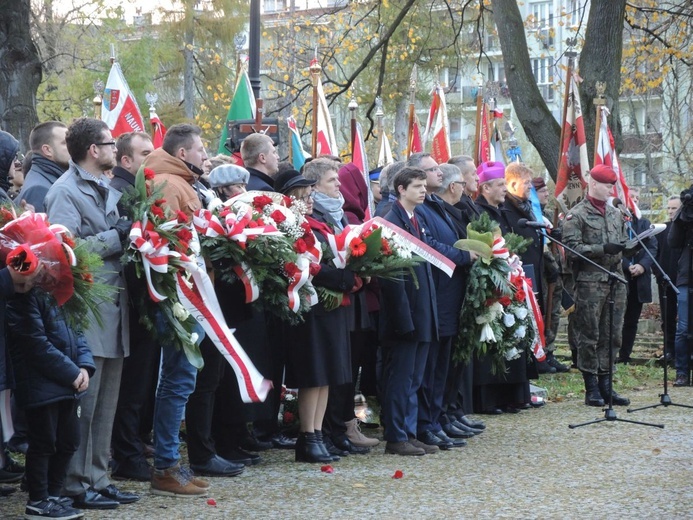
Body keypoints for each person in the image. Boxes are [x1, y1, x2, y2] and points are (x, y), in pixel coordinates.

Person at [45, 117, 136, 510]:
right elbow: (63, 253)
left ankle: (99, 477)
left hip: (113, 307)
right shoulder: (64, 191)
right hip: (88, 310)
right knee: (88, 402)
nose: (116, 149)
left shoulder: (104, 186)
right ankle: (75, 483)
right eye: (110, 143)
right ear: (92, 150)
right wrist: (116, 237)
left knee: (107, 403)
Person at [142, 124, 216, 495]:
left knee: (181, 380)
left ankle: (171, 463)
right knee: (178, 381)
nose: (205, 155)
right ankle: (166, 468)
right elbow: (171, 246)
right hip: (180, 298)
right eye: (200, 149)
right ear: (183, 153)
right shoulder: (170, 185)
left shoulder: (178, 180)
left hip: (187, 295)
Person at [276, 168, 355, 462]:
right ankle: (307, 436)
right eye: (302, 197)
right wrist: (343, 279)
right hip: (309, 307)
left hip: (327, 307)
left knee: (326, 376)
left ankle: (317, 433)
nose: (309, 202)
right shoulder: (291, 226)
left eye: (310, 196)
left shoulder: (314, 224)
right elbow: (305, 266)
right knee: (314, 373)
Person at [405, 153, 476, 450]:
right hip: (436, 295)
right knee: (431, 367)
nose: (438, 173)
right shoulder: (421, 210)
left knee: (441, 365)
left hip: (449, 295)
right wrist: (464, 256)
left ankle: (438, 418)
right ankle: (428, 423)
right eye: (430, 170)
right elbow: (430, 246)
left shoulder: (436, 206)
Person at [8, 282, 95, 520]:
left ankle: (53, 497)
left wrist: (85, 366)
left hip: (69, 381)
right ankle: (38, 501)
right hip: (41, 382)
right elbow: (34, 343)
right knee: (44, 442)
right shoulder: (25, 295)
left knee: (69, 441)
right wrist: (72, 372)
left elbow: (79, 331)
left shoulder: (62, 291)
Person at [183, 164, 248, 477]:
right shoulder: (187, 191)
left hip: (214, 297)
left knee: (213, 378)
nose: (204, 158)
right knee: (202, 380)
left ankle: (212, 448)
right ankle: (202, 452)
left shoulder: (203, 192)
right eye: (198, 151)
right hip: (198, 296)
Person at [109, 132, 159, 483]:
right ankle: (127, 453)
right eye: (145, 153)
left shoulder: (141, 191)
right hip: (131, 298)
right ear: (125, 161)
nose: (150, 159)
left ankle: (135, 446)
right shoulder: (122, 195)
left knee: (141, 382)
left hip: (145, 297)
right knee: (131, 384)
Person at [379, 167, 438, 456]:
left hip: (421, 312)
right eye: (417, 186)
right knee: (400, 379)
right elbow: (392, 279)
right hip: (404, 317)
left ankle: (409, 432)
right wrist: (404, 320)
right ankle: (396, 436)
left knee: (414, 379)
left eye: (424, 185)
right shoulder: (392, 222)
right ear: (401, 189)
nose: (424, 190)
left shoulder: (416, 219)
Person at [562, 164, 631, 406]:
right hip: (590, 283)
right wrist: (601, 249)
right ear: (592, 183)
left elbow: (622, 240)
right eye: (606, 185)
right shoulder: (576, 214)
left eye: (613, 185)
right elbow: (571, 251)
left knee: (613, 335)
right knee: (589, 335)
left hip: (616, 281)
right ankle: (591, 387)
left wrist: (630, 245)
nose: (611, 190)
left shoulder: (615, 213)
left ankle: (607, 384)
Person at [473, 162, 531, 414]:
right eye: (499, 186)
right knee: (494, 336)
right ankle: (491, 398)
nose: (504, 191)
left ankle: (513, 395)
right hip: (492, 285)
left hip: (512, 281)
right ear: (485, 187)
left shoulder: (505, 211)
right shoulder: (479, 213)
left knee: (513, 333)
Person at [436, 163, 486, 435]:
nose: (471, 184)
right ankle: (441, 416)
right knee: (442, 364)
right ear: (454, 186)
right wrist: (466, 256)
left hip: (459, 294)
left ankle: (450, 412)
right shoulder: (435, 209)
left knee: (454, 361)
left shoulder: (459, 208)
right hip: (445, 294)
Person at [532, 176, 570, 373]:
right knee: (543, 313)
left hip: (558, 272)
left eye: (547, 190)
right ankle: (540, 354)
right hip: (544, 274)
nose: (547, 193)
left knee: (554, 314)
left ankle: (551, 352)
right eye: (542, 191)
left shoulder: (548, 215)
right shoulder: (532, 215)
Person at [617, 189, 658, 364]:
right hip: (621, 277)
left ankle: (625, 355)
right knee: (616, 320)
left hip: (640, 279)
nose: (635, 200)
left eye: (637, 198)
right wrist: (628, 265)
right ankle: (612, 354)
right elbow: (616, 248)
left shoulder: (644, 223)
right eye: (631, 197)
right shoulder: (616, 221)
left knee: (631, 321)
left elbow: (653, 247)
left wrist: (642, 266)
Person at [669, 186, 693, 387]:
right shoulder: (684, 215)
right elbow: (673, 241)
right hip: (686, 276)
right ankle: (682, 372)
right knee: (683, 328)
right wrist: (682, 211)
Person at [18, 122, 70, 212]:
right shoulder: (38, 189)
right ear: (47, 150)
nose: (72, 147)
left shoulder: (47, 178)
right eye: (65, 143)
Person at [655, 196, 682, 365]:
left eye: (675, 208)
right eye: (669, 208)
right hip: (665, 280)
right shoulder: (662, 229)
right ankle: (669, 351)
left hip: (684, 280)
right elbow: (654, 253)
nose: (671, 211)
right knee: (668, 317)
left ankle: (685, 353)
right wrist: (658, 274)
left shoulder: (686, 228)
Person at [448, 155, 481, 227]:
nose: (477, 178)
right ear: (461, 176)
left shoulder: (467, 199)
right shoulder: (459, 204)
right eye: (473, 174)